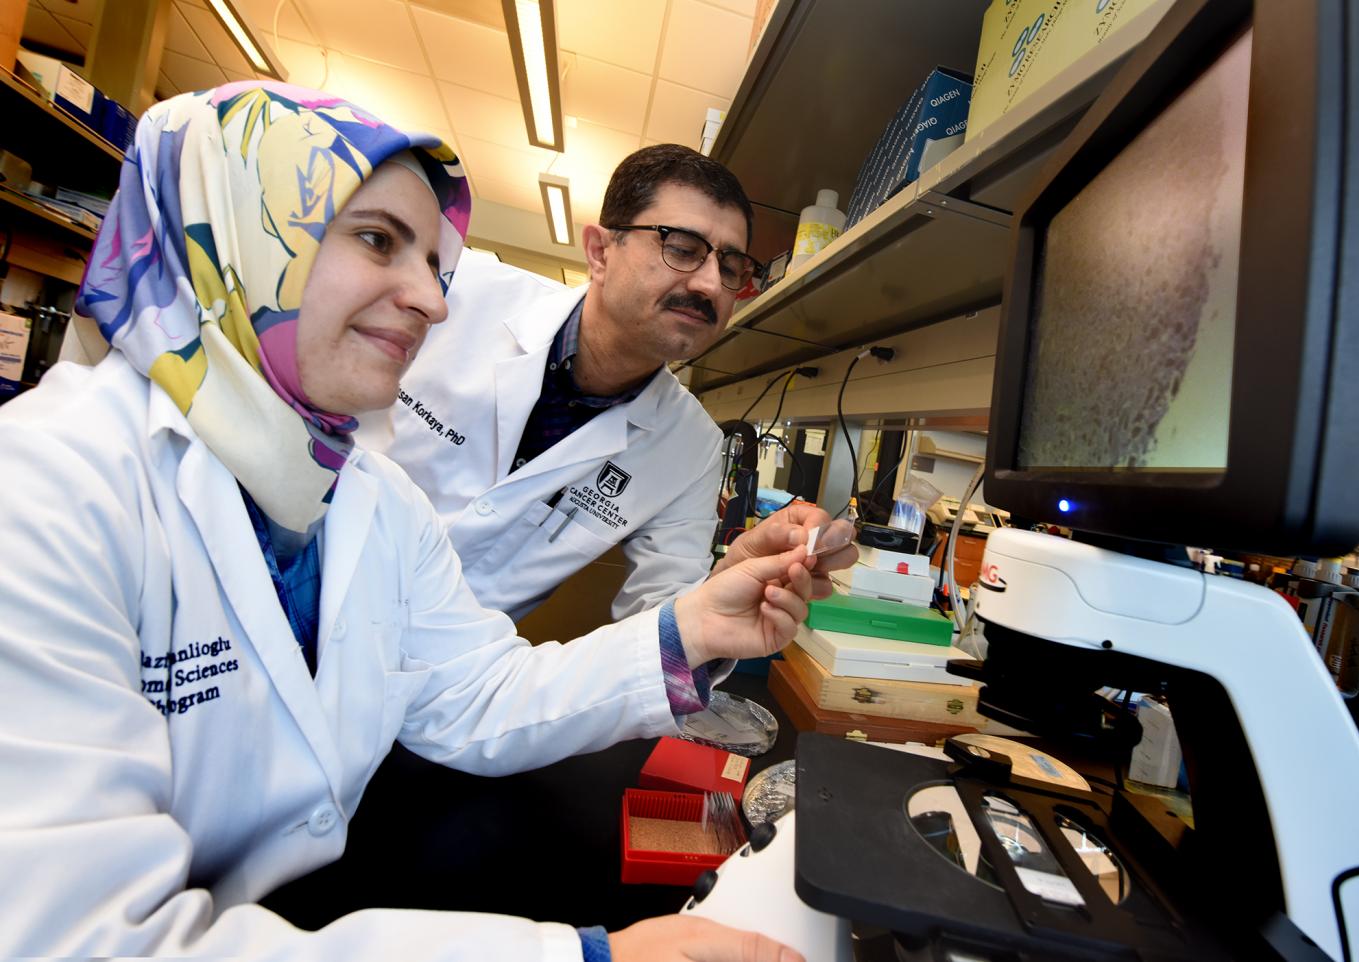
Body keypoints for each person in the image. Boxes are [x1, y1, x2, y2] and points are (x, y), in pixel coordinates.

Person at [0, 82, 811, 961]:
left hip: (335, 823)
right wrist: (582, 956)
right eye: (378, 241)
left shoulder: (364, 496)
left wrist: (694, 625)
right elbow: (78, 939)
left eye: (431, 261)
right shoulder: (46, 485)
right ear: (234, 226)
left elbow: (477, 689)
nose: (431, 299)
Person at [357, 144, 855, 624]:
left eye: (729, 267)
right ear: (599, 252)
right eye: (682, 249)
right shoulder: (457, 294)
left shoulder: (692, 448)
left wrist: (732, 577)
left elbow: (662, 614)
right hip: (301, 587)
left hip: (440, 681)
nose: (708, 285)